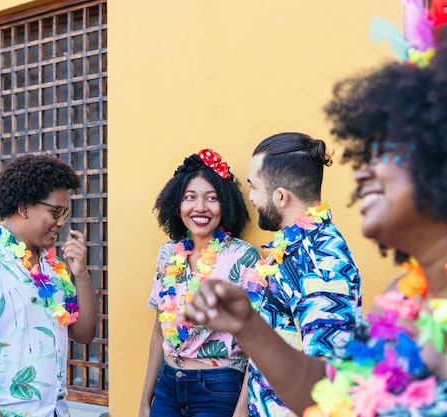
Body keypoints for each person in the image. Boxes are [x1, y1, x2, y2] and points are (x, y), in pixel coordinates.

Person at [183, 4, 447, 416]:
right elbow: (332, 390)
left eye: (386, 153)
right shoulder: (400, 303)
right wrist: (249, 328)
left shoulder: (324, 259)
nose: (361, 173)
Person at [0, 154, 97, 417]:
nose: (61, 221)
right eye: (55, 212)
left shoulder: (53, 268)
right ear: (25, 208)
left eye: (64, 213)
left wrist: (81, 274)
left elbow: (84, 334)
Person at [242, 132, 362, 416]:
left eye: (254, 187)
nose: (250, 197)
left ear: (281, 196)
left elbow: (327, 381)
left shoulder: (319, 262)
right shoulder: (289, 246)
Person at [139, 149, 261, 417]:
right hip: (167, 386)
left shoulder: (243, 256)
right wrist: (145, 400)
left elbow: (256, 341)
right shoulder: (168, 253)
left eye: (211, 198)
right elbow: (160, 331)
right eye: (190, 198)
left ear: (225, 204)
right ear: (177, 204)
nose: (200, 207)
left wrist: (242, 409)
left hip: (218, 389)